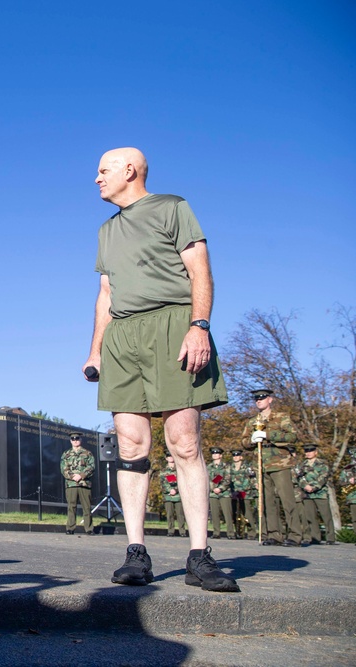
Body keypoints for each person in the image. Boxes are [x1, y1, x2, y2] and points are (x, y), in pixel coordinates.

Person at [82, 147, 238, 592]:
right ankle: (136, 554)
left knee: (184, 442)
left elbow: (200, 272)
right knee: (130, 444)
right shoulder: (105, 231)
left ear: (129, 171)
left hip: (173, 325)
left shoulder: (172, 207)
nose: (96, 179)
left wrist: (199, 327)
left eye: (103, 171)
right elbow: (106, 295)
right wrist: (95, 351)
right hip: (123, 338)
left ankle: (199, 556)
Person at [240, 387, 301, 546]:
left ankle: (295, 535)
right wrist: (252, 440)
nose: (258, 400)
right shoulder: (252, 421)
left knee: (287, 500)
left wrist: (267, 435)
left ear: (270, 399)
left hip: (280, 463)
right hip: (261, 463)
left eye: (262, 397)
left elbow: (292, 436)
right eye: (256, 398)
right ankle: (274, 534)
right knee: (267, 502)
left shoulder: (281, 417)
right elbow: (244, 442)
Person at [297, 444, 335, 546]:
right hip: (307, 494)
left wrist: (314, 487)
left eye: (310, 451)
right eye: (306, 451)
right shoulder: (302, 465)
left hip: (320, 493)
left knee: (326, 515)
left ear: (316, 452)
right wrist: (305, 486)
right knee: (311, 517)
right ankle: (315, 537)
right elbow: (299, 477)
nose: (308, 453)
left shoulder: (322, 463)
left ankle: (330, 537)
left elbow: (324, 476)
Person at [60, 433, 95, 535]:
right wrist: (72, 476)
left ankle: (89, 529)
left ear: (81, 439)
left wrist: (82, 475)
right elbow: (63, 468)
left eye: (77, 438)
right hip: (71, 484)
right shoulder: (66, 454)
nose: (75, 440)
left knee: (87, 507)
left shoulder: (87, 453)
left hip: (84, 484)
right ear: (70, 441)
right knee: (71, 506)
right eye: (73, 438)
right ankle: (70, 528)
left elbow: (91, 467)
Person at [229, 449, 257, 540]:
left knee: (247, 514)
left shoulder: (247, 467)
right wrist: (215, 485)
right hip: (234, 493)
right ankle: (238, 532)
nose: (235, 457)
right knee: (235, 514)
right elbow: (222, 477)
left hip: (245, 492)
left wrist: (251, 486)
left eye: (237, 455)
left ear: (241, 457)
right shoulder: (229, 467)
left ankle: (251, 532)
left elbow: (252, 478)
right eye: (234, 456)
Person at [206, 447, 233, 539]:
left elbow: (228, 479)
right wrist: (213, 489)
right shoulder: (209, 467)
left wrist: (220, 488)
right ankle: (216, 532)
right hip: (213, 493)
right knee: (214, 514)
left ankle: (230, 533)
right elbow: (207, 479)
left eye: (217, 453)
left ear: (220, 455)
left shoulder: (226, 466)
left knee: (227, 514)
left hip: (225, 493)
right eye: (213, 453)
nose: (214, 455)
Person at [160, 453, 186, 537]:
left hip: (178, 496)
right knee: (169, 514)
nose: (170, 458)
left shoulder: (180, 469)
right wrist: (169, 490)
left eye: (171, 456)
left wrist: (175, 490)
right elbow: (162, 483)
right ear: (166, 458)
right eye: (168, 456)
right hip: (168, 496)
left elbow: (183, 482)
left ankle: (182, 531)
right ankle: (171, 530)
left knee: (180, 514)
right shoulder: (163, 470)